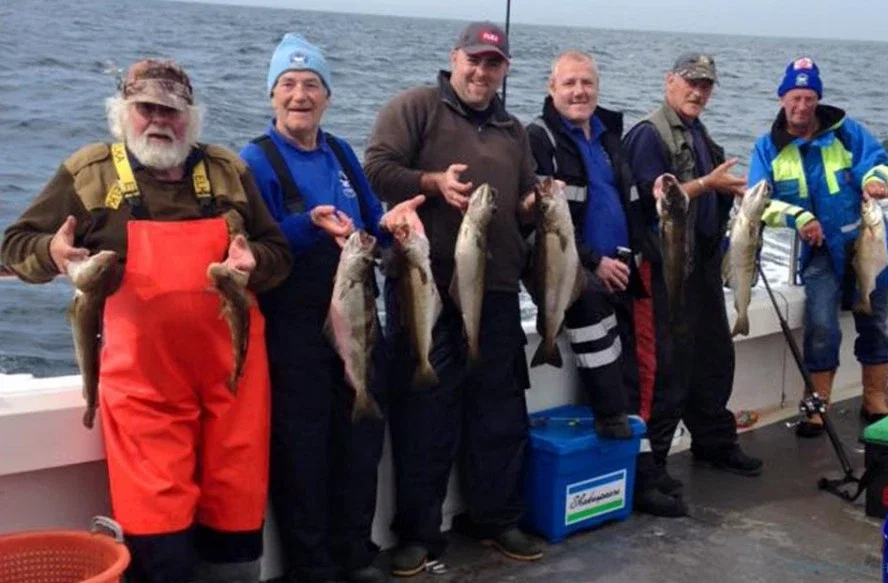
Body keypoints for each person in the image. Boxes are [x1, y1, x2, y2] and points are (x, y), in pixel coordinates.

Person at [0, 59, 293, 582]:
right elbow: (13, 246)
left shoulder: (228, 171)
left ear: (191, 117)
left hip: (234, 383)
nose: (159, 120)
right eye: (146, 108)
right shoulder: (90, 174)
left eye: (172, 111)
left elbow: (278, 254)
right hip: (145, 390)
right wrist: (54, 253)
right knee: (158, 537)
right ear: (123, 112)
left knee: (236, 527)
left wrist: (255, 263)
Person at [239, 33, 424, 583]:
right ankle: (312, 565)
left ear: (328, 96)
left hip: (360, 315)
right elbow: (253, 248)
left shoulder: (342, 153)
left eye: (311, 85)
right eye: (288, 84)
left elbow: (372, 225)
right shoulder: (255, 161)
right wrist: (306, 226)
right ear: (272, 95)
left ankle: (355, 551)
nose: (300, 95)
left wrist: (392, 227)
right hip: (295, 331)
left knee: (360, 443)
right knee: (303, 452)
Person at [364, 20, 543, 578]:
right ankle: (418, 534)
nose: (482, 72)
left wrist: (536, 204)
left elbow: (523, 201)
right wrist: (433, 182)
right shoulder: (416, 107)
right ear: (454, 58)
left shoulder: (514, 129)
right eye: (474, 60)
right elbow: (376, 171)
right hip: (426, 287)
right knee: (426, 415)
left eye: (493, 63)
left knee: (499, 413)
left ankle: (497, 518)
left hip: (496, 290)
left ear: (505, 70)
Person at [526, 49, 718, 517]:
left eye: (587, 83)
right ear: (552, 88)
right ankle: (640, 474)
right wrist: (595, 264)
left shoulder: (610, 137)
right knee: (631, 377)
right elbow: (546, 222)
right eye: (569, 83)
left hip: (631, 270)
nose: (579, 92)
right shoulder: (539, 137)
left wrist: (656, 195)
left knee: (649, 373)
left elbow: (631, 203)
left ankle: (642, 469)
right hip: (581, 273)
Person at [623, 52, 764, 510]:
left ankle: (713, 442)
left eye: (706, 85)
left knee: (713, 356)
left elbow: (710, 188)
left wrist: (734, 194)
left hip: (702, 263)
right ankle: (652, 466)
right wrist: (707, 185)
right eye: (691, 82)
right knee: (667, 366)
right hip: (664, 267)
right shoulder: (648, 136)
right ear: (670, 81)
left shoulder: (698, 132)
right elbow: (655, 200)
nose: (698, 92)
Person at [748, 57, 888, 437]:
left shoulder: (848, 133)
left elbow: (882, 164)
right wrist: (799, 218)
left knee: (875, 324)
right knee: (821, 327)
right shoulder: (768, 148)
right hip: (819, 252)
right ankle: (816, 405)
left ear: (818, 100)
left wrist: (878, 181)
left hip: (866, 243)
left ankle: (875, 398)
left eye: (809, 98)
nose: (802, 106)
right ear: (782, 99)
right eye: (795, 98)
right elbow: (759, 203)